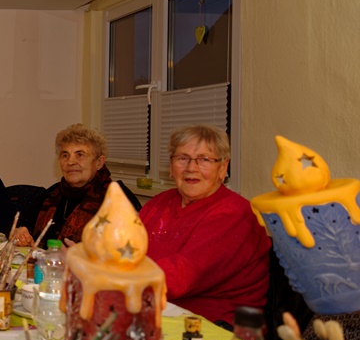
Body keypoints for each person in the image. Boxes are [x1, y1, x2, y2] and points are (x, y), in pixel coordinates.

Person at [139, 125, 270, 327]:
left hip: (214, 327)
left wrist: (110, 278)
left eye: (205, 159)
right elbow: (122, 249)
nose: (191, 168)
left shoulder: (234, 214)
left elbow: (180, 276)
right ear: (171, 167)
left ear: (223, 168)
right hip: (156, 311)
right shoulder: (159, 203)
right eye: (182, 158)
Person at [14, 124, 141, 247]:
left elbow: (133, 248)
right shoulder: (53, 193)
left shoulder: (119, 197)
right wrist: (19, 232)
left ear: (99, 162)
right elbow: (21, 224)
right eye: (65, 155)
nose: (70, 162)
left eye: (80, 155)